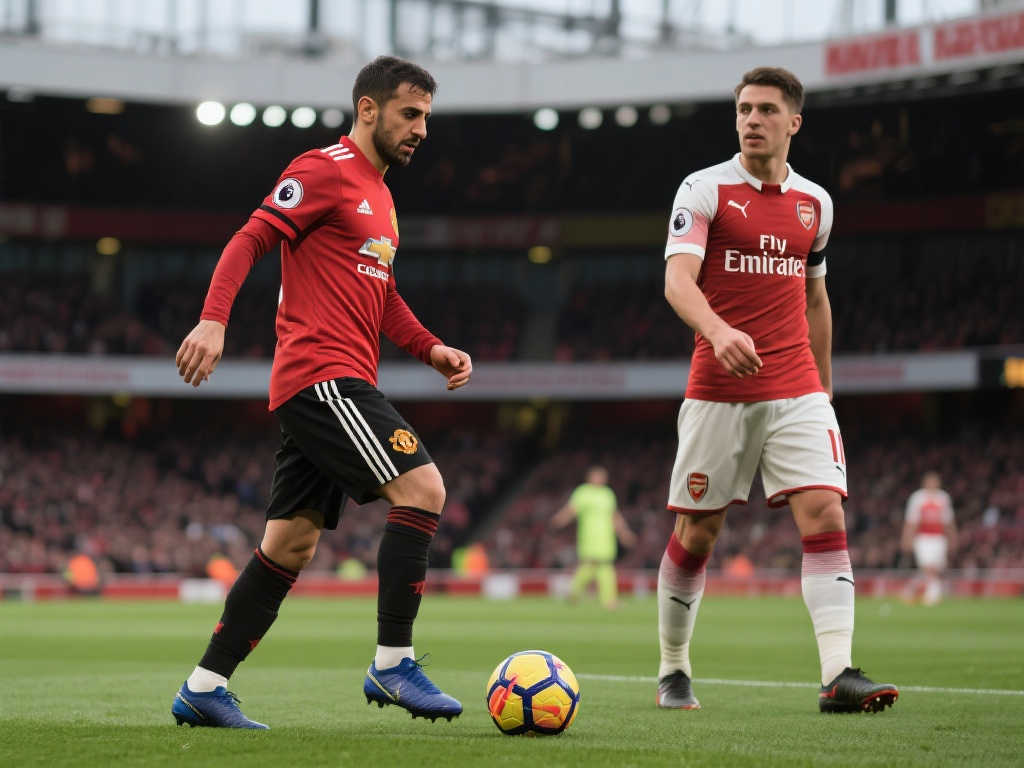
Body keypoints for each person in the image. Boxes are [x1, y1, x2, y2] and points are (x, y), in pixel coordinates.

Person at [170, 56, 472, 729]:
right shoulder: (323, 169)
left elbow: (383, 296)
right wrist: (213, 320)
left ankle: (204, 686)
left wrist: (430, 348)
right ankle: (394, 663)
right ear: (368, 108)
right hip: (323, 376)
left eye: (426, 117)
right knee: (424, 489)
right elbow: (250, 238)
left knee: (289, 546)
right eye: (409, 114)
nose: (421, 129)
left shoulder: (382, 198)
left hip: (336, 379)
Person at [655, 66, 898, 714]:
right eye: (743, 109)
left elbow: (815, 297)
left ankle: (838, 674)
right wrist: (717, 330)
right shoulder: (704, 188)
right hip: (718, 389)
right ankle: (673, 667)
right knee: (698, 533)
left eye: (765, 109)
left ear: (794, 122)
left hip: (797, 387)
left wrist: (825, 385)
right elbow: (678, 281)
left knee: (825, 513)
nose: (751, 120)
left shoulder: (816, 203)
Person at [550, 466, 637, 609]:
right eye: (597, 476)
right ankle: (605, 599)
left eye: (602, 477)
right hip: (589, 536)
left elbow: (614, 515)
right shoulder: (583, 492)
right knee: (596, 566)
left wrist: (624, 533)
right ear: (589, 478)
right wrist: (559, 520)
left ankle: (575, 594)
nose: (599, 479)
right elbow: (571, 510)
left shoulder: (607, 494)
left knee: (599, 566)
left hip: (606, 537)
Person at [901, 471, 957, 606]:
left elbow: (948, 521)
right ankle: (933, 594)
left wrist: (953, 538)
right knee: (927, 567)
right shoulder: (917, 498)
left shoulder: (943, 498)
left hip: (939, 537)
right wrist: (906, 538)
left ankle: (910, 590)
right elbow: (911, 521)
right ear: (925, 483)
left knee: (934, 569)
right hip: (923, 538)